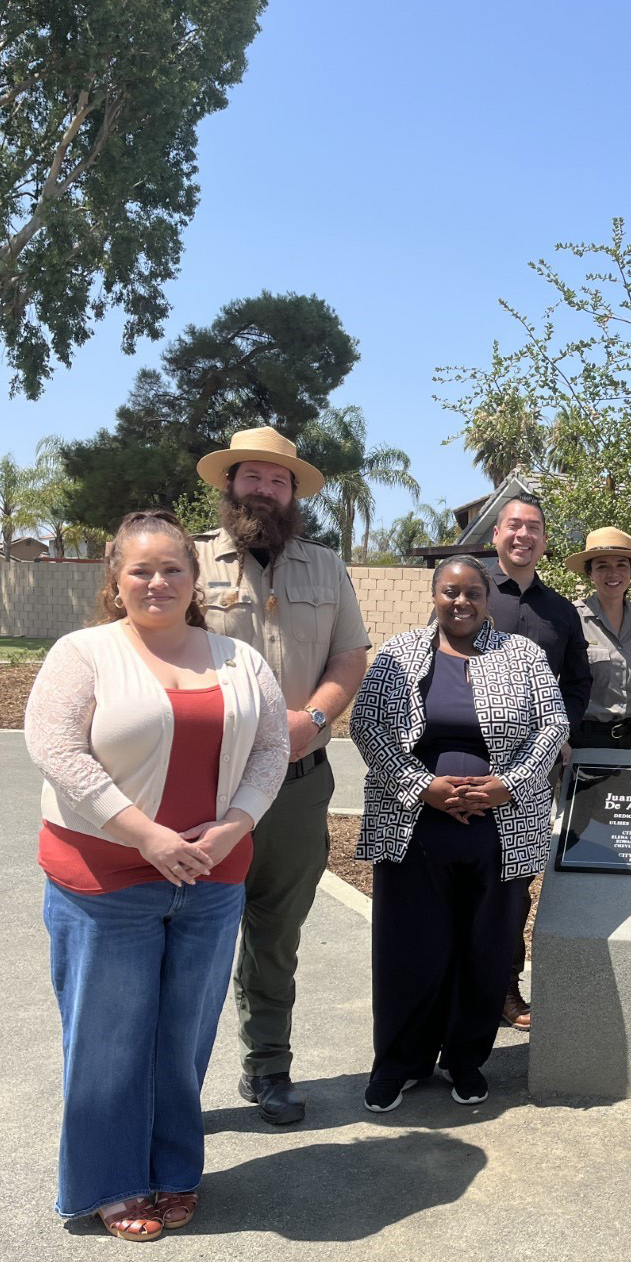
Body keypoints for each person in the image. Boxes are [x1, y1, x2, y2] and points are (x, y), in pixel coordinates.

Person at [25, 510, 288, 1239]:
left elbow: (271, 750)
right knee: (108, 1040)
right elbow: (56, 750)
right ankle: (111, 1182)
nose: (157, 581)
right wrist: (146, 836)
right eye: (140, 569)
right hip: (105, 879)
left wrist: (234, 826)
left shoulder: (240, 660)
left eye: (172, 568)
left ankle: (173, 1170)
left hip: (212, 878)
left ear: (194, 578)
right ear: (116, 579)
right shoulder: (85, 654)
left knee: (182, 1037)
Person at [193, 427, 371, 1125]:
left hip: (298, 784)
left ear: (292, 493)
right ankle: (172, 1081)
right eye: (253, 478)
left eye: (279, 481)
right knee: (192, 935)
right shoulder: (192, 560)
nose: (265, 490)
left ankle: (268, 1069)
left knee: (275, 936)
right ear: (230, 484)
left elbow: (350, 657)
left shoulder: (326, 569)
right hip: (205, 787)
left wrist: (317, 721)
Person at [350, 555, 568, 1108]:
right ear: (434, 594)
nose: (461, 601)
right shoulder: (400, 653)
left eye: (473, 591)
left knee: (484, 949)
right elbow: (367, 724)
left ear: (487, 597)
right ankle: (399, 1062)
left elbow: (553, 725)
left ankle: (465, 1059)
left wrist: (507, 785)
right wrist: (422, 785)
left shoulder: (521, 655)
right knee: (410, 949)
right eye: (450, 591)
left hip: (500, 829)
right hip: (414, 826)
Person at [487, 494, 592, 1029]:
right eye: (513, 525)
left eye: (533, 527)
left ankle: (506, 987)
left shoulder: (561, 611)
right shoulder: (471, 595)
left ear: (545, 541)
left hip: (534, 767)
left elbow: (578, 681)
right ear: (497, 535)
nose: (523, 535)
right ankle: (462, 986)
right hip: (470, 762)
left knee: (517, 878)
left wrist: (560, 730)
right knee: (466, 874)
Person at [566, 527, 631, 750]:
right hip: (585, 740)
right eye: (602, 566)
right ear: (590, 573)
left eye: (621, 565)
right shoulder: (571, 619)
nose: (613, 573)